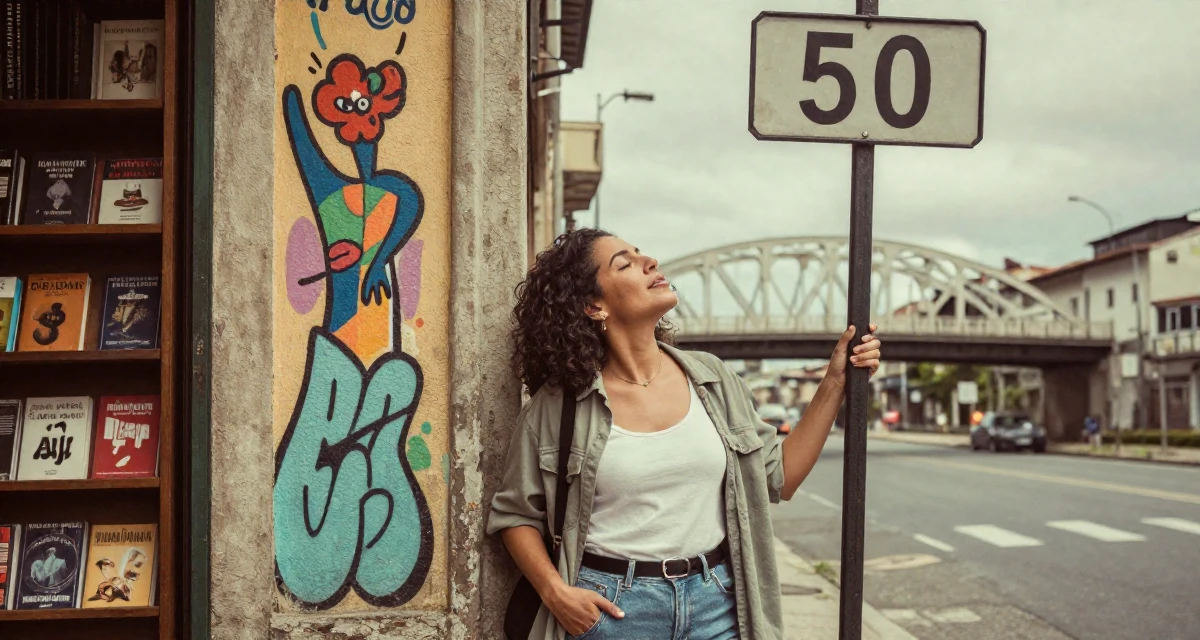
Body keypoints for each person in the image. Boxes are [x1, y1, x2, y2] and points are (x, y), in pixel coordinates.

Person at [488, 230, 882, 639]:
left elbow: (779, 478)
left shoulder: (712, 378)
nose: (650, 262)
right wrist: (556, 593)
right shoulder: (558, 405)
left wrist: (834, 382)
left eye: (642, 254)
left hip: (716, 604)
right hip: (610, 611)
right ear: (593, 305)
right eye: (625, 263)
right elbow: (516, 515)